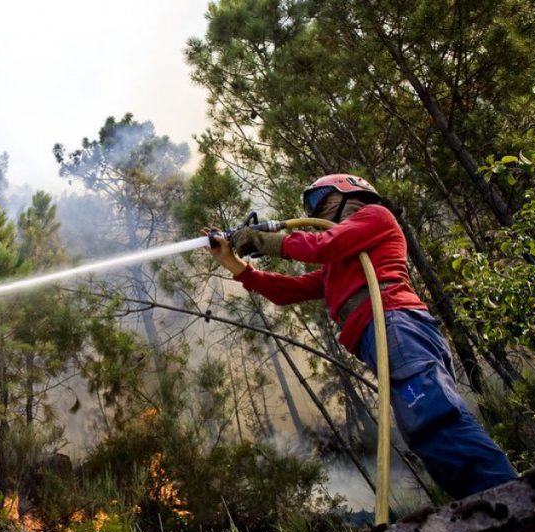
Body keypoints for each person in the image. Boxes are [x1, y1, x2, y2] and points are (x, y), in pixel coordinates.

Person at [203, 173, 517, 500]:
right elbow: (287, 291)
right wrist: (234, 264)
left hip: (395, 323)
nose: (316, 215)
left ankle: (511, 502)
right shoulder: (338, 266)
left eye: (321, 205)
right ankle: (483, 509)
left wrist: (265, 240)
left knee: (432, 416)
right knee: (422, 431)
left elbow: (326, 243)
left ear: (348, 196)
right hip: (384, 335)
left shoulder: (376, 217)